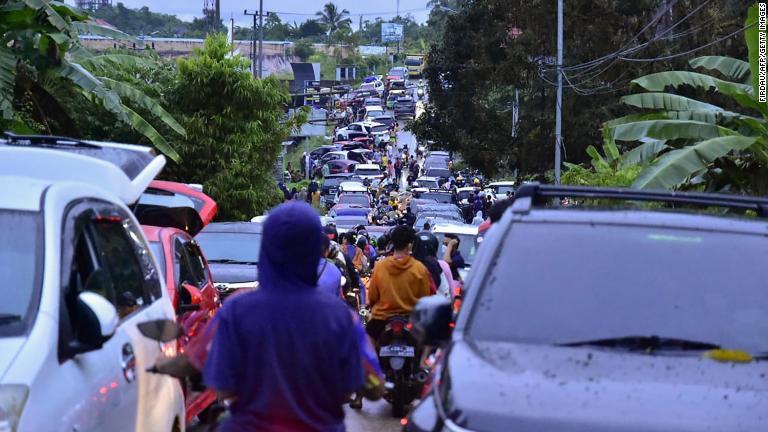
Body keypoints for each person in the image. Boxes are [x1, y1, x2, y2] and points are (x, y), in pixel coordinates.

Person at [203, 202, 382, 431]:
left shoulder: (237, 310)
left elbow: (221, 385)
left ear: (266, 248)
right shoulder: (340, 318)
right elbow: (373, 388)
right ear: (316, 250)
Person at [366, 225, 433, 342]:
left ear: (392, 243)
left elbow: (372, 296)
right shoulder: (420, 269)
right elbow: (425, 297)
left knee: (367, 343)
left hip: (382, 318)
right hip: (412, 319)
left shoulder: (380, 266)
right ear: (410, 244)